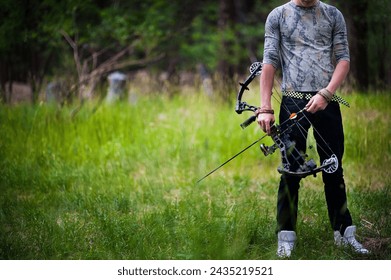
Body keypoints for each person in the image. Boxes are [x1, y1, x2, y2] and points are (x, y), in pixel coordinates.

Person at [256, 0, 369, 258]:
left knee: (333, 167)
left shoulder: (332, 14)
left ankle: (345, 233)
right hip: (292, 101)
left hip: (326, 101)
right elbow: (270, 61)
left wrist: (327, 93)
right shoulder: (278, 15)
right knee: (290, 170)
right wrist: (265, 107)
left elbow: (343, 59)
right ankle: (286, 238)